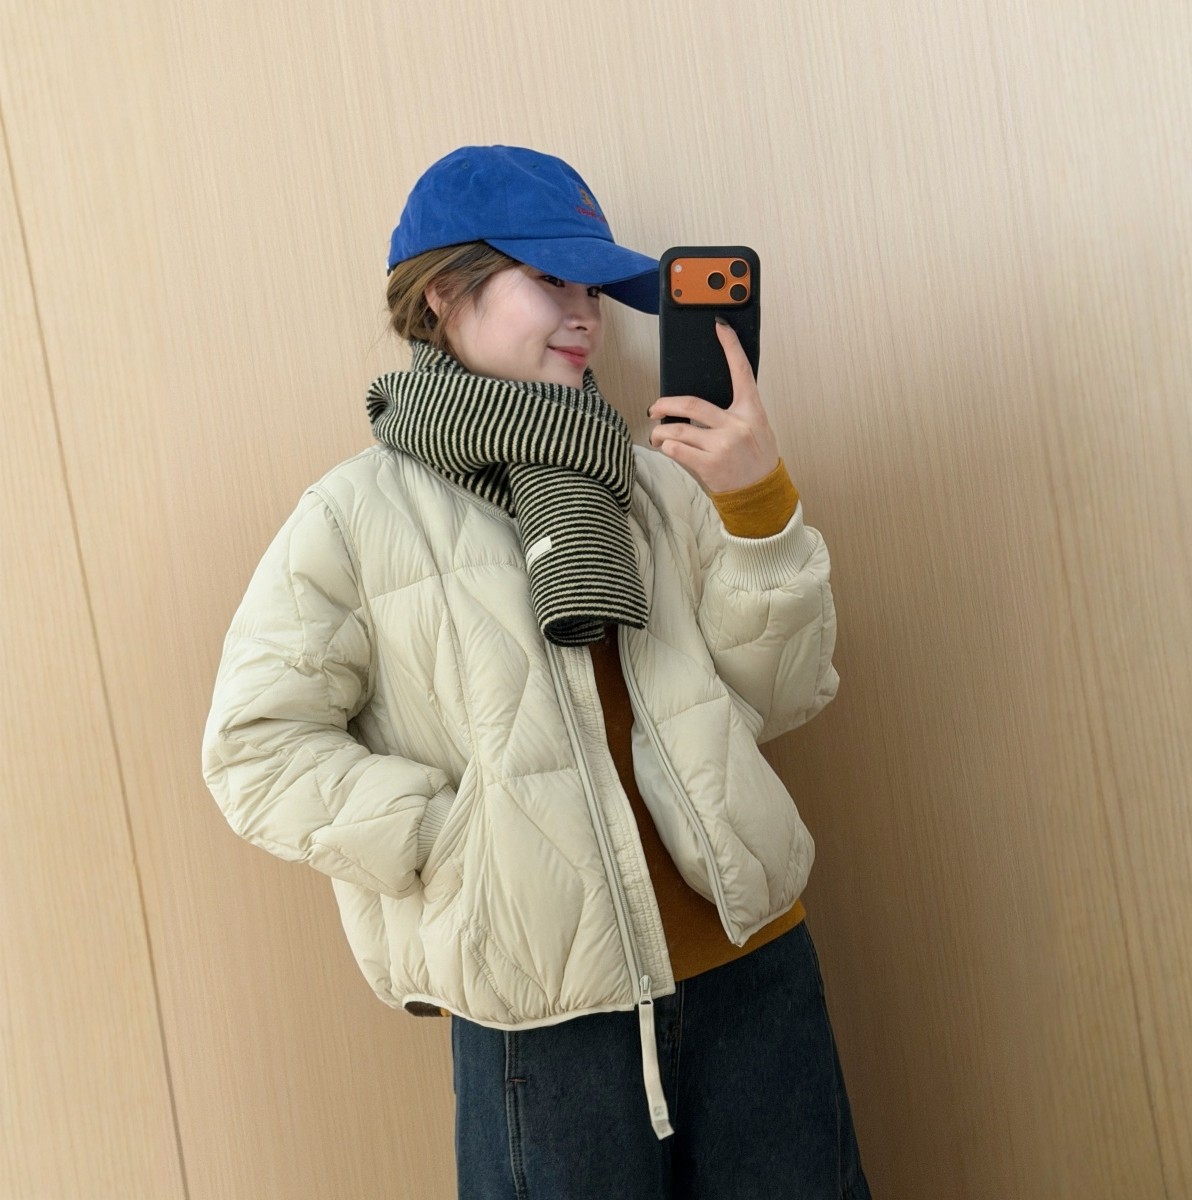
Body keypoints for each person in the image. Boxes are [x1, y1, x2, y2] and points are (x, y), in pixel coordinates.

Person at [203, 144, 871, 1199]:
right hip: (542, 1024)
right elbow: (254, 749)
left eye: (595, 289)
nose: (585, 314)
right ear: (442, 294)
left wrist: (755, 504)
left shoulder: (654, 483)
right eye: (550, 278)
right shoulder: (353, 517)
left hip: (752, 970)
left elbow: (775, 697)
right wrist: (454, 841)